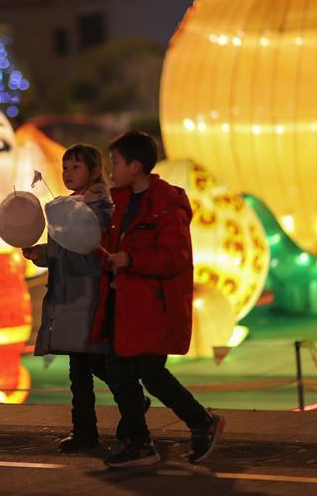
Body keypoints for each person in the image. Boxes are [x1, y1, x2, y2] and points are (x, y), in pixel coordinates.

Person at [91, 131, 224, 468]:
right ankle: (140, 443)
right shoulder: (117, 201)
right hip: (122, 305)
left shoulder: (166, 203)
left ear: (136, 166)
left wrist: (132, 259)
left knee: (151, 374)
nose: (110, 170)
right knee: (119, 373)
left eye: (115, 162)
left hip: (152, 308)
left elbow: (175, 257)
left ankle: (201, 422)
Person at [24, 144, 144, 452]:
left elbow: (91, 251)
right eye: (65, 167)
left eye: (75, 167)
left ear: (95, 171)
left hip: (90, 297)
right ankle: (89, 428)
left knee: (90, 365)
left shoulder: (103, 209)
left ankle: (116, 414)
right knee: (81, 368)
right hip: (67, 297)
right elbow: (62, 251)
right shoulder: (63, 206)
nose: (67, 173)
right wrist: (41, 253)